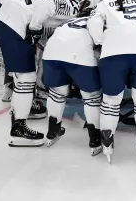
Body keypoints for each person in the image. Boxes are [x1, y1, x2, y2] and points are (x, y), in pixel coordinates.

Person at [0, 0, 99, 147]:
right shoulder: (73, 4)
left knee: (23, 75)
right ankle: (19, 129)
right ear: (85, 1)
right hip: (15, 20)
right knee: (27, 77)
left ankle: (17, 111)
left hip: (8, 14)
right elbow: (48, 5)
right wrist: (35, 28)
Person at [87, 0, 136, 164]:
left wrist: (101, 41)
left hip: (113, 52)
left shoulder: (104, 4)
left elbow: (93, 23)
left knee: (110, 101)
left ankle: (107, 141)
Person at [41, 14, 103, 155]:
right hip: (79, 54)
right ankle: (95, 140)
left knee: (56, 93)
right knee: (91, 97)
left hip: (51, 52)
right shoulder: (101, 19)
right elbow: (101, 45)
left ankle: (52, 131)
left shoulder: (69, 20)